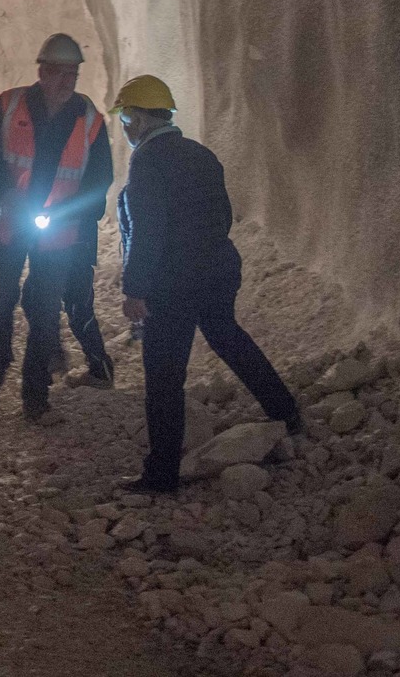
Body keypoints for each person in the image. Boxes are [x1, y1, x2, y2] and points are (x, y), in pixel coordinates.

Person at [111, 74, 303, 493]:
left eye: (126, 116)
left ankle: (161, 474)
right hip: (217, 271)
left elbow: (148, 231)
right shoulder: (200, 154)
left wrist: (135, 287)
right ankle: (286, 411)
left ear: (141, 118)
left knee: (163, 376)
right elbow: (223, 217)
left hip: (173, 283)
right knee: (228, 337)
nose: (124, 125)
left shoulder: (146, 163)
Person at [0, 32, 115, 420]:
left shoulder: (90, 120)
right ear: (42, 71)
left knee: (45, 309)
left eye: (73, 74)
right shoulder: (10, 104)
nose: (66, 82)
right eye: (59, 73)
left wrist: (70, 212)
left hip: (58, 232)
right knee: (1, 300)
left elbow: (100, 177)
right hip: (11, 223)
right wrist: (6, 193)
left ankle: (35, 397)